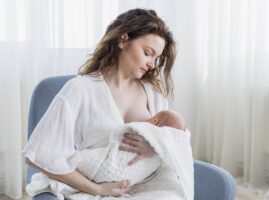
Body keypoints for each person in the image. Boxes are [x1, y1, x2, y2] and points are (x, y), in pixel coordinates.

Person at [24, 8, 176, 197]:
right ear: (123, 40)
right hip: (97, 187)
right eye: (147, 53)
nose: (152, 64)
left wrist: (156, 146)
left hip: (148, 185)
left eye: (157, 58)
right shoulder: (80, 89)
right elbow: (39, 154)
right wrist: (98, 189)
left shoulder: (154, 94)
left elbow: (174, 141)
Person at [75, 109, 186, 186]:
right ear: (156, 122)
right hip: (102, 166)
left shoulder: (154, 92)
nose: (168, 138)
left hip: (137, 181)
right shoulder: (141, 129)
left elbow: (180, 143)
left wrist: (156, 147)